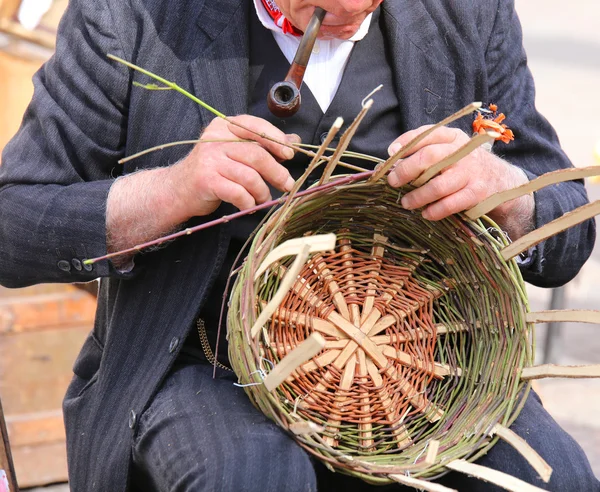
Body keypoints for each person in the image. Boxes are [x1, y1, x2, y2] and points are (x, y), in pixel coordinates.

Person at [0, 0, 597, 490]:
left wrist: (510, 194)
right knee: (254, 478)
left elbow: (568, 229)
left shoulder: (468, 13)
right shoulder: (134, 14)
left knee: (558, 479)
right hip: (199, 360)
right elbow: (13, 222)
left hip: (413, 375)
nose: (349, 7)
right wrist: (171, 190)